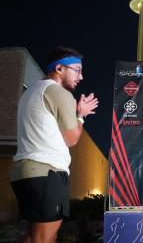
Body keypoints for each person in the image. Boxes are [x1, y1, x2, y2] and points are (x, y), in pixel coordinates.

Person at [10, 47, 98, 243]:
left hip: (23, 173)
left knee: (35, 236)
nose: (81, 76)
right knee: (44, 239)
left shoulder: (32, 91)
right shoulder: (59, 93)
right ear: (59, 68)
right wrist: (81, 116)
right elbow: (72, 139)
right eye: (77, 70)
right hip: (46, 173)